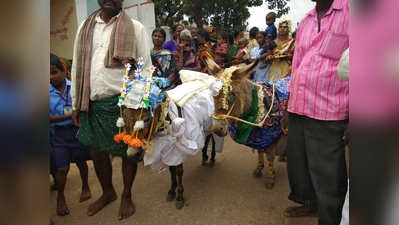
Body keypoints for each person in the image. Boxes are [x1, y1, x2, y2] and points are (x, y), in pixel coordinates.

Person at [70, 0, 152, 220]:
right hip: (92, 102)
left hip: (123, 103)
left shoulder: (135, 27)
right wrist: (76, 102)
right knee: (96, 152)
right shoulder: (85, 27)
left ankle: (126, 195)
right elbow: (77, 66)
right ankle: (108, 193)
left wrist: (135, 107)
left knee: (128, 152)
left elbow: (144, 69)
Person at [280, 0, 349, 224]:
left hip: (330, 108)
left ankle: (331, 218)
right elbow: (298, 63)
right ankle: (313, 206)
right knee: (301, 166)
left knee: (329, 174)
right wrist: (289, 106)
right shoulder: (306, 20)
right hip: (300, 106)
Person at [50, 53, 91, 216]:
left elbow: (83, 107)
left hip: (77, 131)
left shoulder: (74, 88)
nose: (50, 77)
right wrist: (70, 115)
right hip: (59, 134)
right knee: (63, 167)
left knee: (81, 162)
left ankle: (86, 186)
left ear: (63, 71)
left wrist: (77, 114)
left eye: (54, 72)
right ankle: (60, 197)